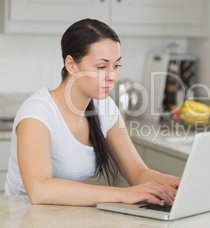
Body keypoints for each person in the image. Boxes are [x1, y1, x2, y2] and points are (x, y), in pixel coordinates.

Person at [4, 18, 180, 206]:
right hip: (23, 218)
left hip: (65, 215)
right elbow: (40, 190)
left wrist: (170, 182)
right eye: (102, 67)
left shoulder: (104, 107)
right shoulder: (38, 113)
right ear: (71, 65)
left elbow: (137, 172)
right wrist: (122, 194)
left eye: (116, 66)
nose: (112, 76)